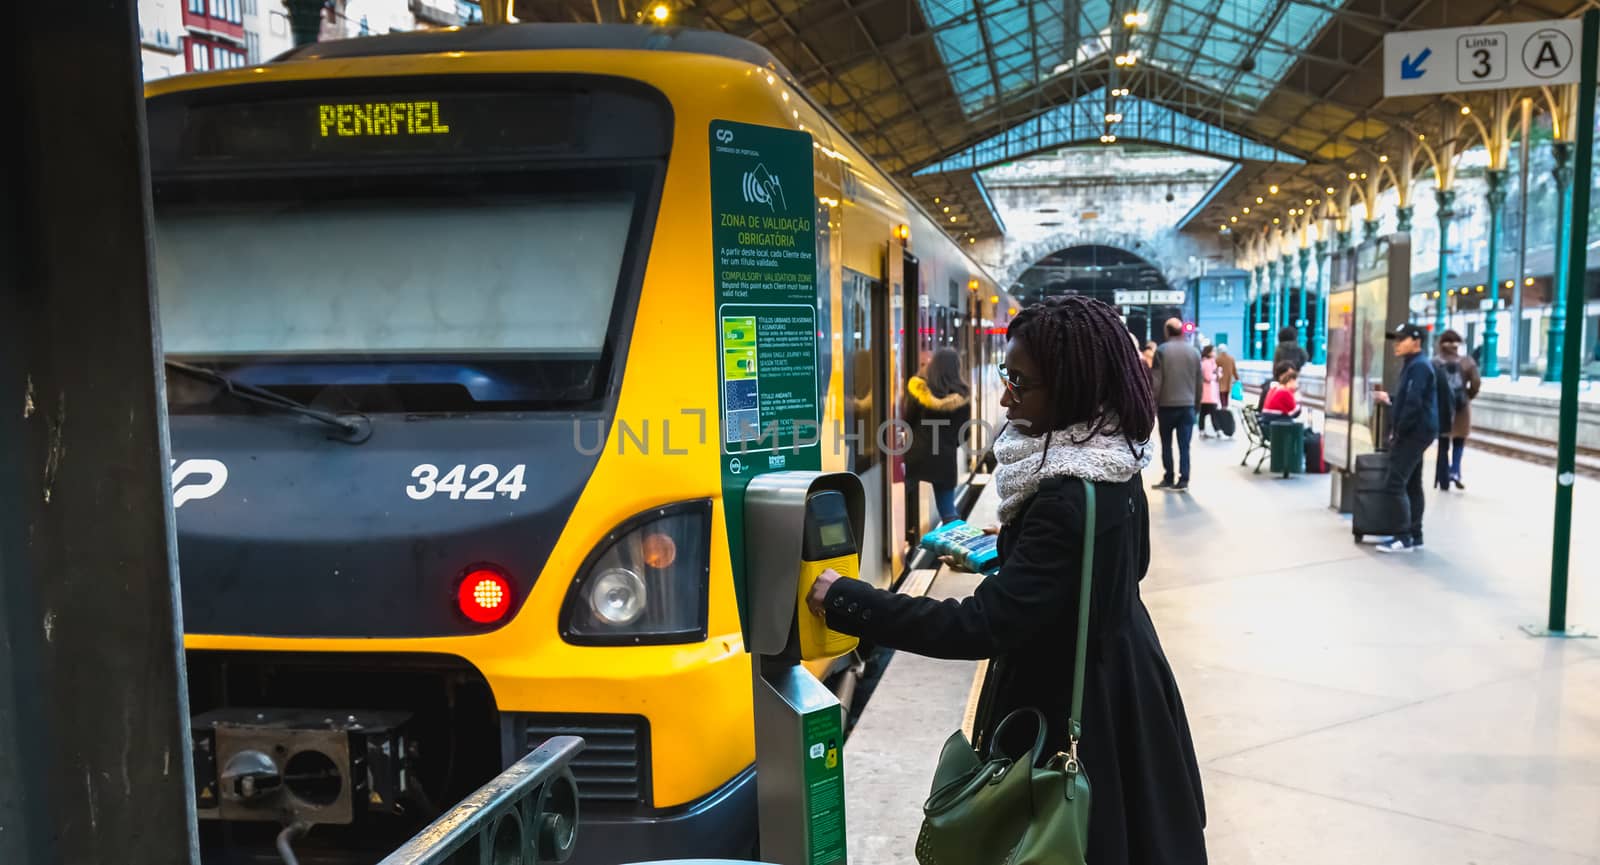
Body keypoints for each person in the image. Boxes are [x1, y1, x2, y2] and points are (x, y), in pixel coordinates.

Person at [805, 295, 1207, 865]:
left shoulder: (1065, 496)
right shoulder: (1115, 461)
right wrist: (1019, 557)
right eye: (1006, 376)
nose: (1004, 394)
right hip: (1126, 690)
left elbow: (981, 627)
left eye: (1021, 382)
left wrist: (849, 601)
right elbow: (1114, 570)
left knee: (1059, 843)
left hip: (1075, 708)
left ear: (1071, 387)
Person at [1373, 323, 1440, 552]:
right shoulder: (1413, 364)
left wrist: (1398, 432)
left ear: (1417, 341)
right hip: (1419, 431)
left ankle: (1403, 537)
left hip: (1414, 433)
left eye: (1402, 339)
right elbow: (1408, 398)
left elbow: (1413, 403)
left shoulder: (1419, 366)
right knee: (1412, 483)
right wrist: (1391, 398)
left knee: (1395, 483)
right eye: (1396, 339)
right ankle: (1415, 534)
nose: (1397, 344)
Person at [904, 347, 972, 524]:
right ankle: (958, 546)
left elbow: (907, 421)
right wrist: (947, 444)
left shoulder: (919, 392)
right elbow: (964, 434)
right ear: (956, 368)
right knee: (948, 512)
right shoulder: (963, 398)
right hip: (944, 458)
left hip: (917, 455)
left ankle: (904, 534)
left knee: (901, 499)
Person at [1150, 318, 1204, 491]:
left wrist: (1154, 404)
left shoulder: (1162, 350)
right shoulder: (1194, 352)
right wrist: (1196, 405)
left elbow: (1156, 381)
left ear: (1167, 331)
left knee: (1166, 444)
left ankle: (1168, 477)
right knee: (1184, 446)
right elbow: (1199, 382)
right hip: (1188, 406)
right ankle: (1184, 480)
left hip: (1166, 406)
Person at [1432, 329, 1480, 491]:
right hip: (1461, 408)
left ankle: (1444, 478)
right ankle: (1455, 471)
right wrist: (1468, 396)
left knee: (1443, 444)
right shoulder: (1467, 362)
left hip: (1442, 408)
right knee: (1459, 442)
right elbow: (1476, 382)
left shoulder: (1435, 362)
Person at [1198, 345, 1222, 437]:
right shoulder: (1207, 363)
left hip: (1208, 393)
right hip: (1208, 393)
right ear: (1209, 352)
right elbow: (1208, 377)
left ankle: (1202, 430)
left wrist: (1217, 372)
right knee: (1213, 413)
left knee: (1203, 413)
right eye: (1214, 351)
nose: (1215, 353)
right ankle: (1218, 430)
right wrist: (1217, 375)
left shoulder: (1210, 362)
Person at [1216, 344, 1239, 409]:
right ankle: (1226, 407)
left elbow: (1215, 369)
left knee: (1222, 394)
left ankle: (1223, 407)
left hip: (1220, 380)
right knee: (1226, 394)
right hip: (1228, 380)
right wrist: (1237, 378)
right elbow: (1234, 370)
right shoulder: (1231, 358)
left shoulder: (1218, 359)